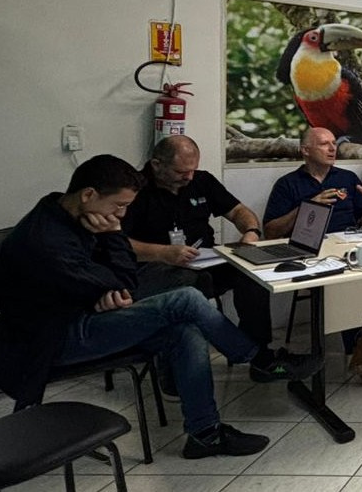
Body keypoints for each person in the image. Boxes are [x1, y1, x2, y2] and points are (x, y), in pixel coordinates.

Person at [0, 154, 314, 460]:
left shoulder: (62, 210)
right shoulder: (51, 242)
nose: (121, 215)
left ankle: (205, 434)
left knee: (184, 330)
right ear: (88, 194)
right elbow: (125, 281)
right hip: (48, 340)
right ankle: (259, 358)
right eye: (119, 206)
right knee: (185, 299)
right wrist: (113, 238)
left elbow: (111, 282)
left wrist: (102, 287)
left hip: (74, 315)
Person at [123, 135, 315, 394]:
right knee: (190, 286)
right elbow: (117, 243)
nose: (189, 177)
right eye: (181, 172)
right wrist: (162, 253)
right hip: (155, 267)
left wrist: (251, 232)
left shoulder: (201, 181)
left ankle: (259, 353)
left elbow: (239, 211)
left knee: (251, 275)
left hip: (205, 260)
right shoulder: (134, 190)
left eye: (192, 169)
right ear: (156, 165)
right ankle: (191, 368)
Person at [264, 127, 362, 385]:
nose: (332, 148)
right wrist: (308, 206)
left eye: (333, 143)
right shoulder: (288, 184)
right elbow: (270, 231)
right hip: (309, 253)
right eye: (324, 144)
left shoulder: (347, 178)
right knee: (350, 282)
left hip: (348, 247)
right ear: (305, 150)